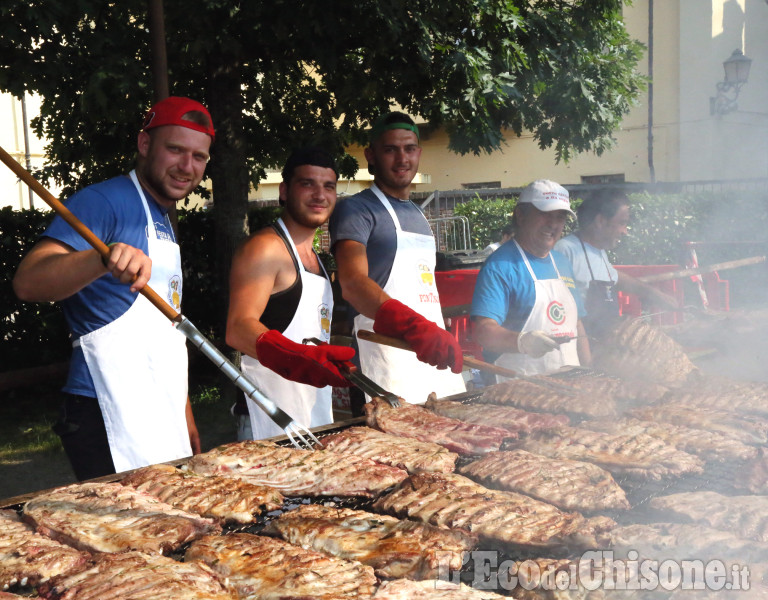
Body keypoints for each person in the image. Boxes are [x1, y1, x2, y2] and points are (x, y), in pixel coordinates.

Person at [12, 96, 213, 480]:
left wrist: (182, 411)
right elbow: (28, 280)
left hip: (159, 406)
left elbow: (165, 328)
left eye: (199, 156)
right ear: (144, 144)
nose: (187, 167)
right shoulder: (103, 201)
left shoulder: (163, 217)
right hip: (105, 408)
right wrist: (100, 258)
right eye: (175, 150)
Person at [329, 111, 466, 404]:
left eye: (409, 149)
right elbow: (352, 284)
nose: (402, 158)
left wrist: (436, 329)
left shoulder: (418, 214)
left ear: (419, 153)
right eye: (390, 149)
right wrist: (414, 326)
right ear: (371, 155)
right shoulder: (356, 210)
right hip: (387, 362)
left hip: (433, 356)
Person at [226, 147, 355, 440]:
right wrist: (298, 357)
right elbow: (238, 329)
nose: (319, 195)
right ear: (284, 191)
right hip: (268, 422)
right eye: (307, 183)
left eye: (328, 186)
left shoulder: (318, 260)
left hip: (312, 417)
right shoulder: (265, 247)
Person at [471, 179, 591, 377]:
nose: (553, 224)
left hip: (571, 385)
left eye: (560, 217)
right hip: (517, 389)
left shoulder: (561, 261)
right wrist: (522, 341)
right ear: (521, 215)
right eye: (545, 215)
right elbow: (484, 331)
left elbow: (577, 324)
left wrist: (589, 370)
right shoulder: (500, 266)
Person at [555, 189, 679, 339]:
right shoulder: (565, 251)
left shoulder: (598, 251)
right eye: (622, 223)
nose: (625, 231)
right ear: (601, 221)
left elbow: (616, 278)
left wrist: (652, 293)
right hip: (580, 345)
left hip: (604, 345)